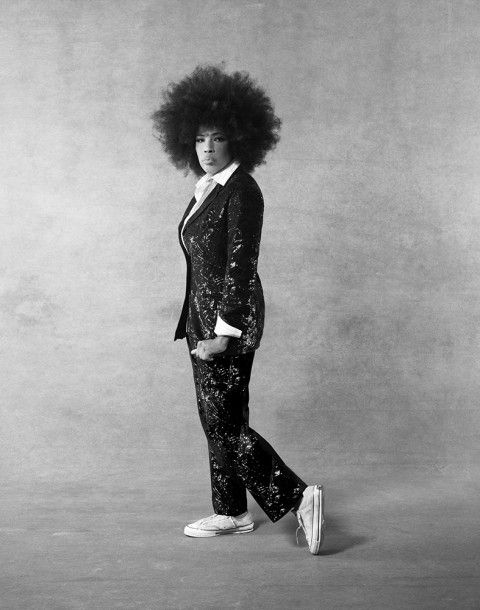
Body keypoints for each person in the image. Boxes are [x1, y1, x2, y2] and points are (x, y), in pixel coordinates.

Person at [151, 64, 325, 555]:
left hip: (226, 323)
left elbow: (240, 265)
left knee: (223, 424)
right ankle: (231, 511)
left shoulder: (241, 190)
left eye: (218, 138)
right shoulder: (207, 191)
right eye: (200, 139)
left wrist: (225, 331)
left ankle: (300, 498)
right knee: (220, 419)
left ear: (239, 141)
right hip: (202, 322)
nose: (207, 148)